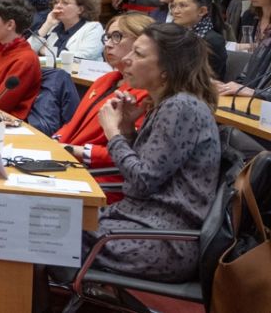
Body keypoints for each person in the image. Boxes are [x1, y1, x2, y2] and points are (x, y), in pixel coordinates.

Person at [85, 23, 220, 282]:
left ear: (166, 70)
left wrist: (112, 132)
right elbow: (151, 168)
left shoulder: (181, 107)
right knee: (48, 220)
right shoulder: (168, 104)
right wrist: (126, 129)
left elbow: (143, 180)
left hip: (163, 239)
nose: (127, 59)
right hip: (138, 223)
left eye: (139, 54)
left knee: (47, 229)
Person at [52, 12, 154, 202]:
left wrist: (70, 150)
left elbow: (132, 154)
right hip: (70, 164)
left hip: (100, 177)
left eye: (117, 37)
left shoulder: (146, 94)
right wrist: (52, 142)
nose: (108, 44)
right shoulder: (105, 79)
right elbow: (73, 124)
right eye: (107, 37)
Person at [217, 0, 271, 100]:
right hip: (251, 93)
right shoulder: (249, 16)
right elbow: (249, 69)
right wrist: (231, 86)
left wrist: (253, 92)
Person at [29, 0, 106, 62]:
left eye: (65, 3)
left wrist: (47, 51)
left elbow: (84, 57)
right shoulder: (53, 26)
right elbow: (27, 51)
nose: (58, 6)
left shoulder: (93, 28)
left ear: (80, 9)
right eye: (56, 2)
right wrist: (47, 24)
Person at [168, 0, 227, 79]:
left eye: (183, 5)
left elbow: (209, 79)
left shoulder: (213, 40)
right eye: (173, 6)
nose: (175, 11)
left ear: (202, 11)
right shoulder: (171, 34)